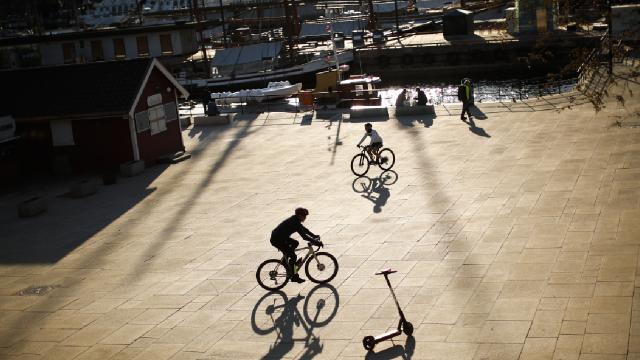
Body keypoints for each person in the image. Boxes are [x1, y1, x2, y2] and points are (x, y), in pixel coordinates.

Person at [270, 208, 323, 283]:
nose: (305, 217)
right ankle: (294, 277)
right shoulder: (294, 222)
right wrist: (316, 242)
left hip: (281, 238)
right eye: (304, 216)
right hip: (277, 240)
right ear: (299, 215)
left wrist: (314, 236)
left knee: (295, 243)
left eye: (305, 216)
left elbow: (305, 230)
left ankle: (286, 260)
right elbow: (304, 236)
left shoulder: (296, 220)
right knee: (293, 256)